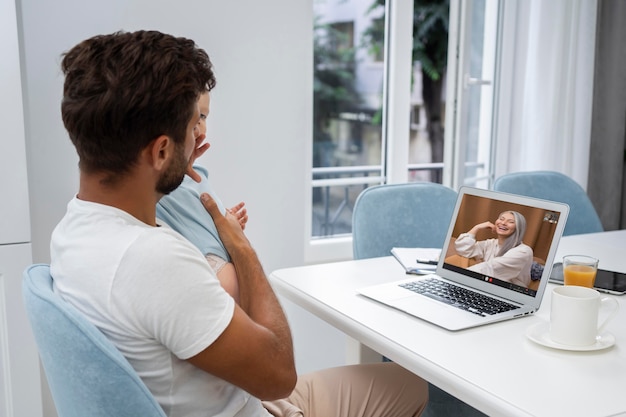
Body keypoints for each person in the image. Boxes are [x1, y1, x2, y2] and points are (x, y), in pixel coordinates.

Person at [50, 30, 428, 417]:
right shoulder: (154, 261)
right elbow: (279, 375)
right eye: (191, 129)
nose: (199, 135)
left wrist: (171, 169)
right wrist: (240, 246)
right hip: (262, 401)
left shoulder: (73, 231)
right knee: (418, 390)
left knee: (406, 382)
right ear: (160, 149)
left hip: (235, 395)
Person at [157, 91, 246, 302]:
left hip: (221, 250)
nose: (198, 126)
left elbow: (203, 210)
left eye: (203, 117)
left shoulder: (197, 174)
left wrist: (227, 220)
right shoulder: (161, 179)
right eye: (192, 118)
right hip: (208, 261)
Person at [454, 210, 533, 287]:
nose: (503, 223)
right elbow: (463, 250)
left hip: (509, 292)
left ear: (518, 228)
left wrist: (458, 277)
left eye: (511, 222)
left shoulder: (524, 251)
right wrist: (476, 227)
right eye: (501, 219)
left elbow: (491, 268)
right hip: (485, 284)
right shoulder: (491, 243)